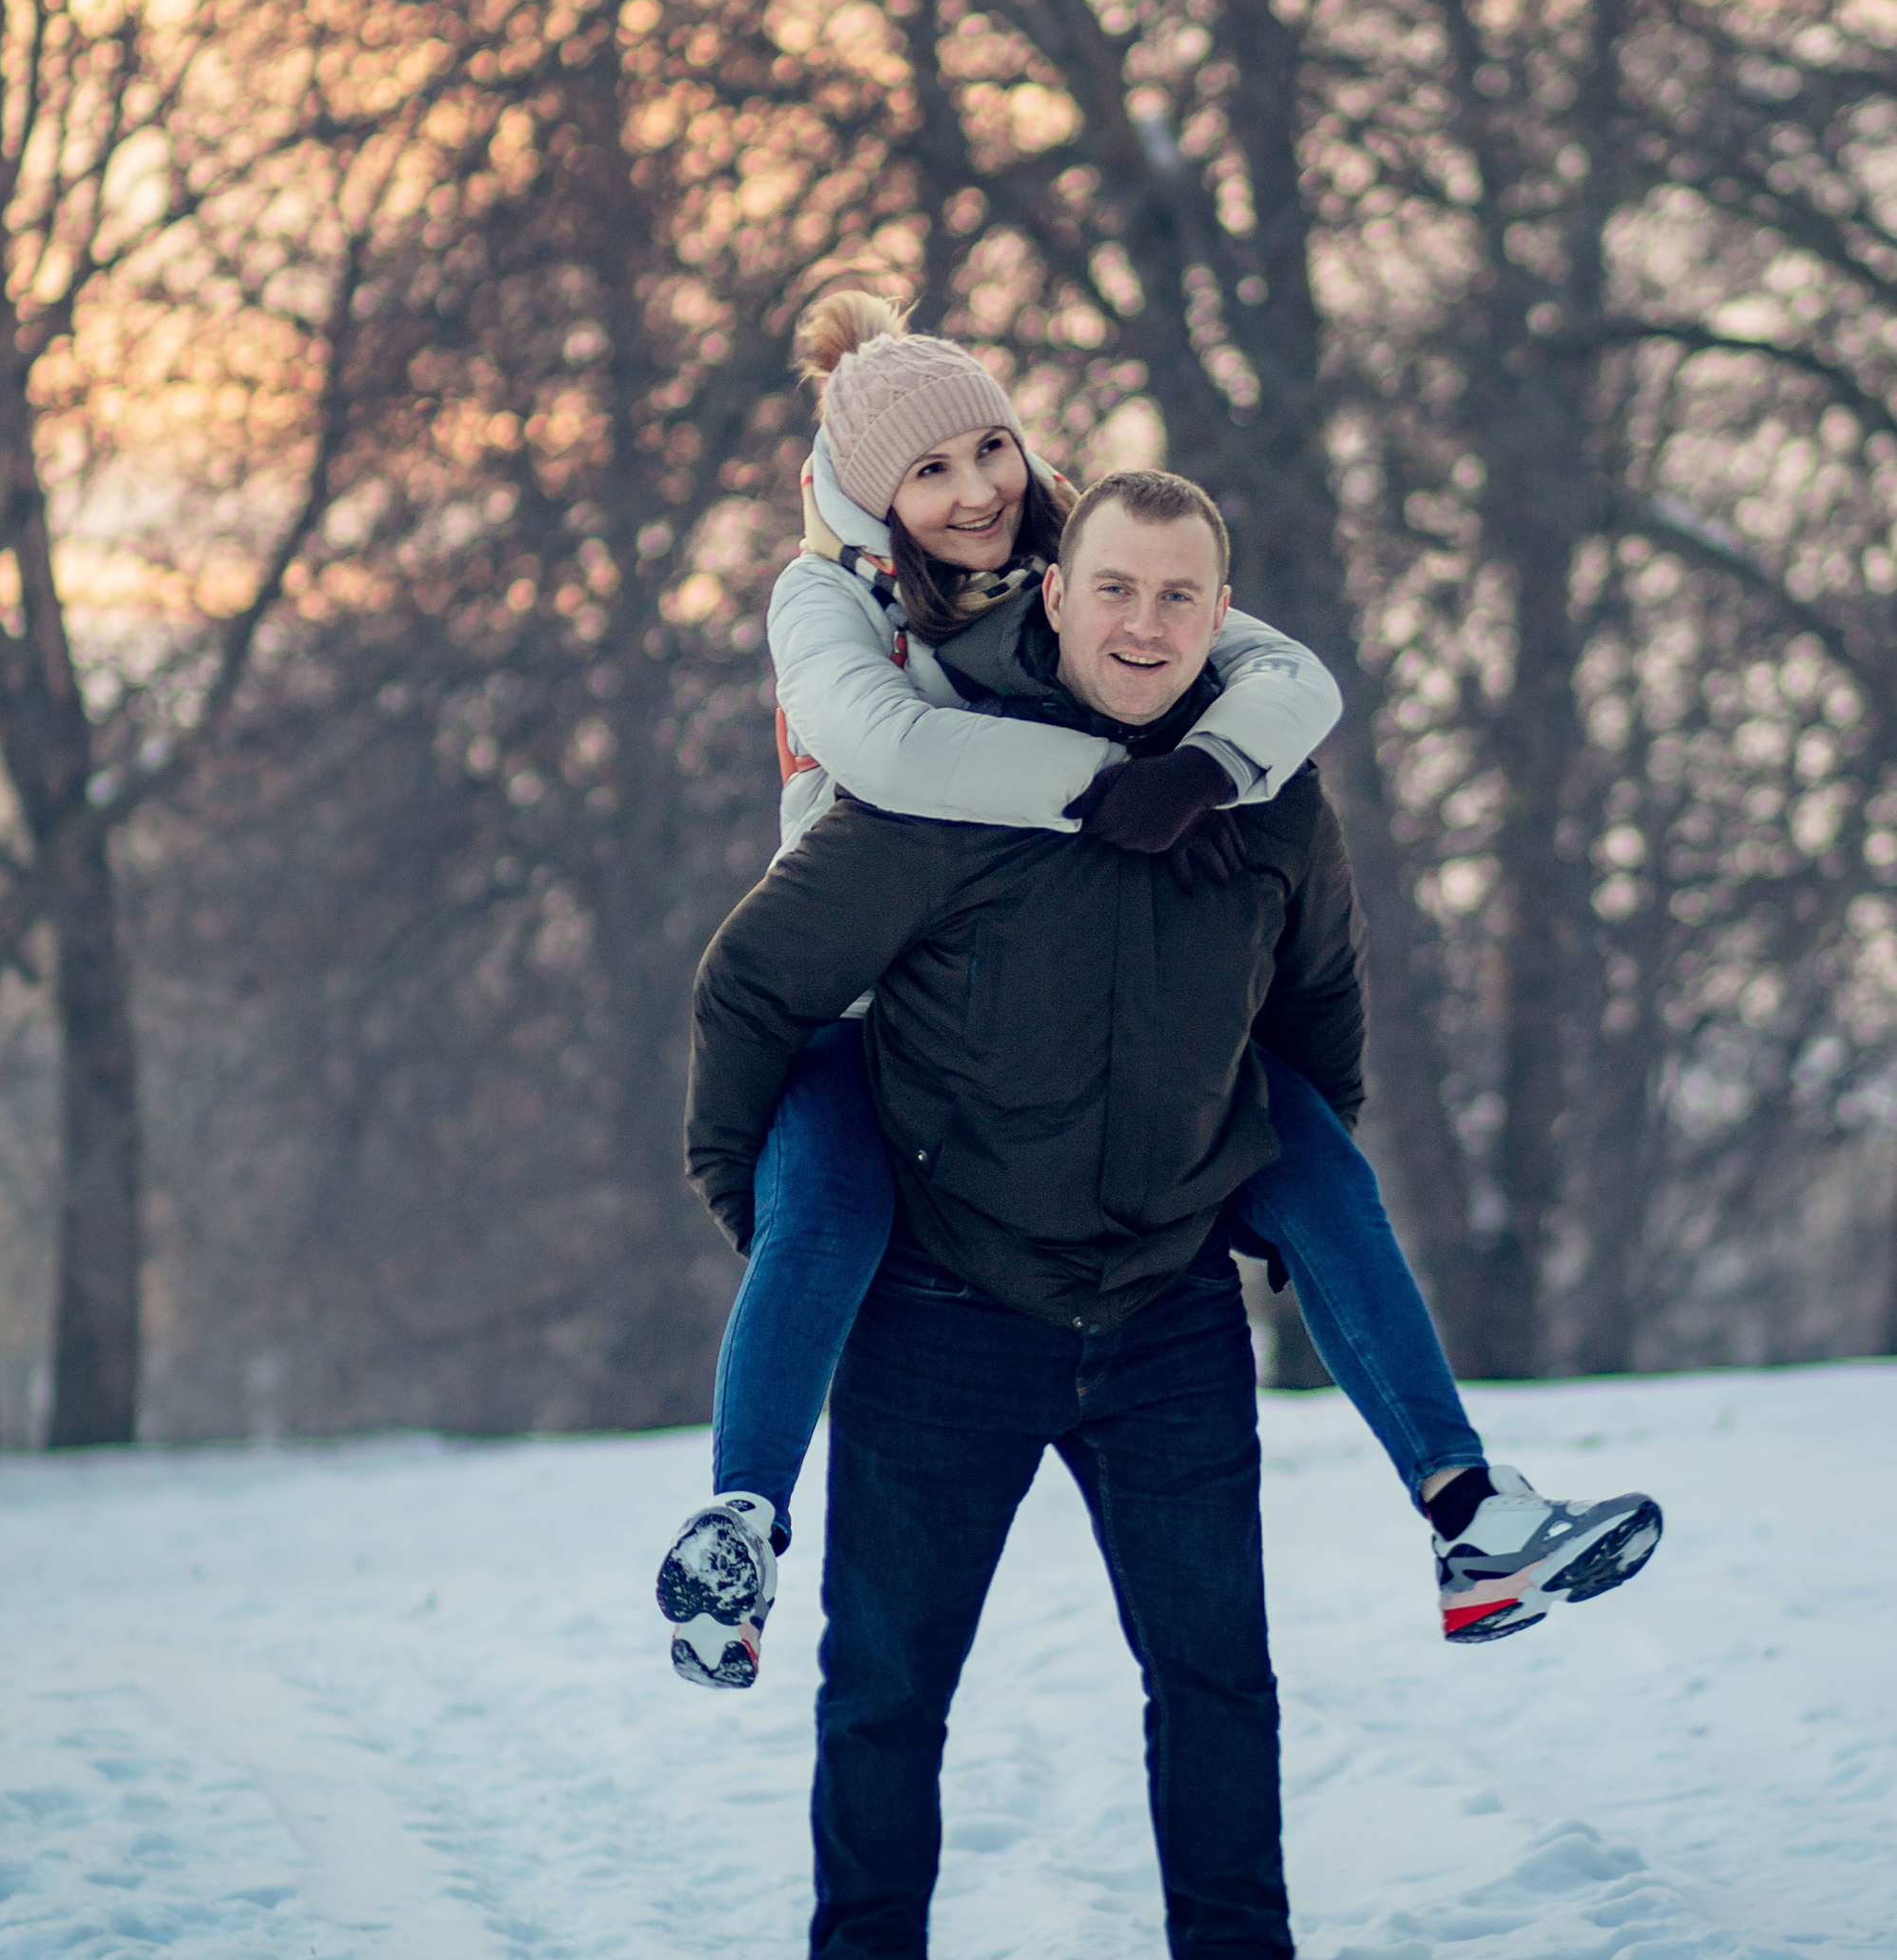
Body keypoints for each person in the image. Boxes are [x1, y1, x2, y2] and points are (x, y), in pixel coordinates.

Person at [685, 468, 1663, 1960]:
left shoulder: (1268, 800)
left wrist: (1251, 1189)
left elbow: (1320, 1012)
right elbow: (752, 983)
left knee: (1216, 1667)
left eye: (1182, 598)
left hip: (1162, 1314)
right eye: (1118, 589)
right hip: (950, 1312)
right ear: (1057, 595)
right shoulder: (941, 790)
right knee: (888, 1681)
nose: (1146, 623)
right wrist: (750, 1188)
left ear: (1224, 618)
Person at [658, 286, 1663, 1694]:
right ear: (872, 502)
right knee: (820, 1212)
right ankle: (740, 1527)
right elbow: (885, 751)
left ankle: (1469, 1515)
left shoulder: (1085, 551)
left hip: (1068, 1004)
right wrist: (1119, 787)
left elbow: (1288, 677)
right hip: (877, 1005)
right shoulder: (827, 600)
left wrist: (1206, 772)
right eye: (928, 473)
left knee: (1308, 1152)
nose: (972, 492)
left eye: (987, 450)